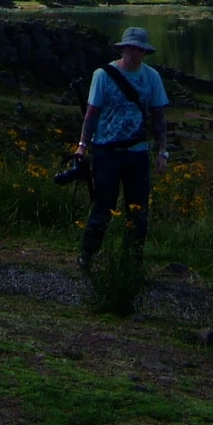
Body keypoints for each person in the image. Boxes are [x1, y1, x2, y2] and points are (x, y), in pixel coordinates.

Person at [78, 26, 171, 269]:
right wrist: (82, 147)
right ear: (123, 49)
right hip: (106, 152)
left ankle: (132, 262)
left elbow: (159, 117)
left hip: (138, 154)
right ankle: (87, 256)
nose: (134, 53)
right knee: (103, 207)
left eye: (139, 50)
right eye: (130, 48)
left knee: (138, 211)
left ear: (144, 52)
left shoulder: (152, 78)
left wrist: (162, 152)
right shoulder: (103, 75)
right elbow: (91, 114)